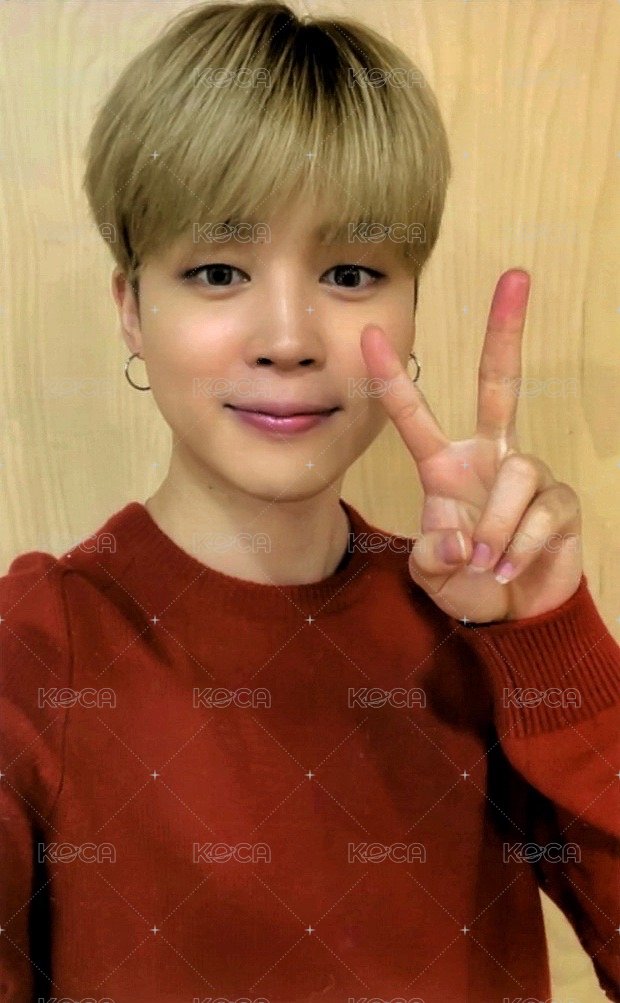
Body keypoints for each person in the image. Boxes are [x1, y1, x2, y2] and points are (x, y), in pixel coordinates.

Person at [1, 2, 619, 1001]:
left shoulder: (476, 630)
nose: (287, 337)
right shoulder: (33, 654)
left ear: (409, 309)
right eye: (217, 271)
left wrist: (551, 636)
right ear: (131, 308)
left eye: (349, 272)